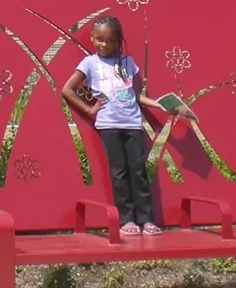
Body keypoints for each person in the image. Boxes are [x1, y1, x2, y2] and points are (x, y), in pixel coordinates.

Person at [61, 15, 196, 236]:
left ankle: (146, 219)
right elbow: (67, 89)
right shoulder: (89, 63)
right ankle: (127, 220)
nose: (103, 44)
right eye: (99, 39)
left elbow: (135, 96)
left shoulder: (127, 63)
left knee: (138, 171)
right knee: (119, 172)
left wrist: (160, 106)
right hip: (109, 125)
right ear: (93, 38)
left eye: (109, 40)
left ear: (117, 41)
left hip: (133, 123)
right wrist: (89, 109)